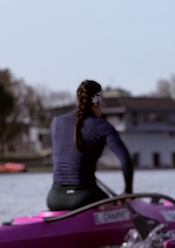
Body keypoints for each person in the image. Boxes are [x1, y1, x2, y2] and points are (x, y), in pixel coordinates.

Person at [47, 80, 134, 211]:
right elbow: (125, 160)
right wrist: (128, 192)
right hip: (85, 197)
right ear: (98, 103)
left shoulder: (56, 122)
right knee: (114, 204)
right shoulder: (102, 126)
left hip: (54, 198)